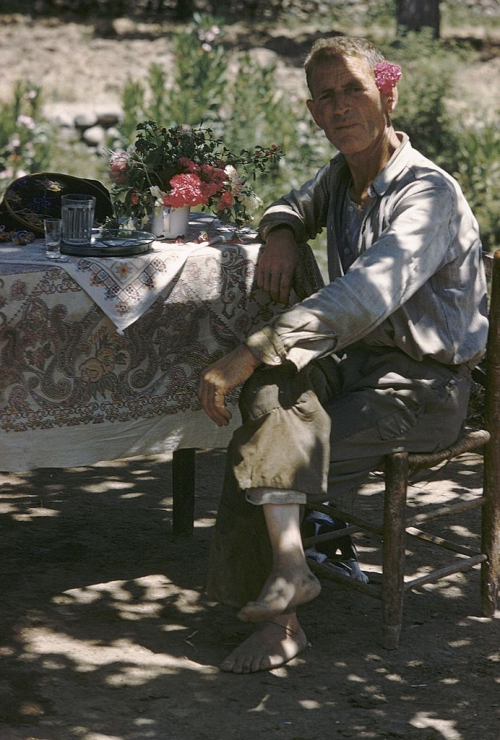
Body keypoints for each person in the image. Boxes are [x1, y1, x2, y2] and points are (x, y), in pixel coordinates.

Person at [197, 35, 488, 674]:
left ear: (386, 94)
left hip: (423, 384)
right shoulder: (341, 176)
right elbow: (292, 204)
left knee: (268, 438)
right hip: (355, 362)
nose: (342, 107)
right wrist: (280, 232)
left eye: (354, 89)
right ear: (312, 114)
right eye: (325, 97)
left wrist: (257, 346)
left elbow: (364, 294)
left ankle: (280, 621)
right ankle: (293, 572)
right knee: (266, 398)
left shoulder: (426, 193)